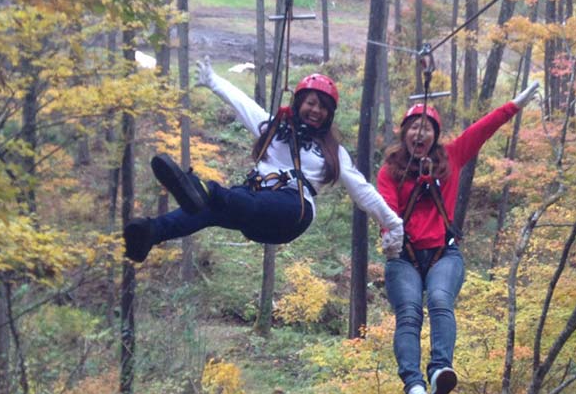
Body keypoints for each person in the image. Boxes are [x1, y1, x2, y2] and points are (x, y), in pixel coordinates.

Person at [123, 57, 404, 263]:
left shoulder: (333, 152)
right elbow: (243, 104)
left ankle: (206, 190)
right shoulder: (274, 130)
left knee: (223, 200)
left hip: (293, 210)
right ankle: (150, 232)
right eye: (310, 102)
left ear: (329, 115)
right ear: (298, 103)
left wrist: (393, 224)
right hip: (253, 210)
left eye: (322, 107)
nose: (314, 110)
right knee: (209, 210)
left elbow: (363, 192)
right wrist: (213, 81)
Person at [376, 81, 540, 394]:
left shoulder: (452, 156)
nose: (419, 135)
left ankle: (439, 369)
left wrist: (514, 106)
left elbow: (484, 128)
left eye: (426, 129)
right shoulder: (390, 171)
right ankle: (413, 384)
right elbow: (386, 208)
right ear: (404, 133)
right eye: (414, 128)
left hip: (442, 253)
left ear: (435, 136)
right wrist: (390, 234)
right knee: (408, 314)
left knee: (439, 300)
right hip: (404, 257)